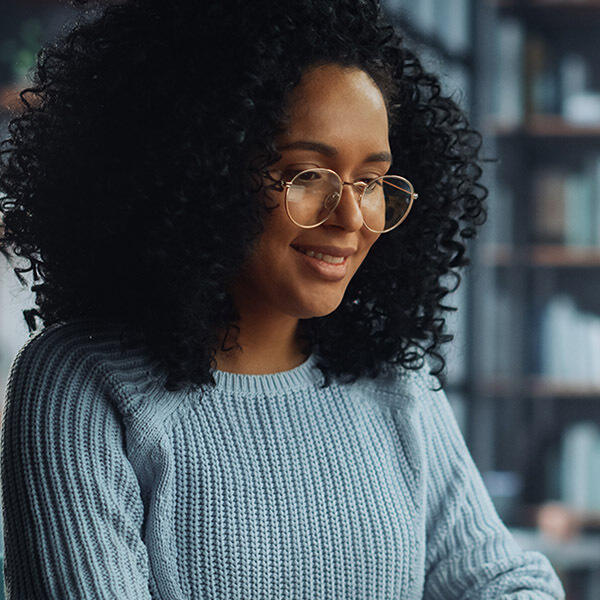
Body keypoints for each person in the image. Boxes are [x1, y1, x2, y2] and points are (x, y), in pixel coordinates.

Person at [0, 0, 565, 598]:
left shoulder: (395, 381)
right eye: (306, 174)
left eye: (371, 181)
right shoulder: (86, 384)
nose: (350, 216)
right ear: (201, 171)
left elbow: (505, 581)